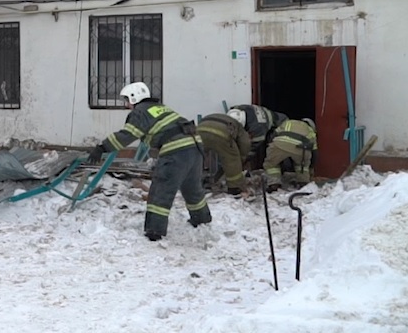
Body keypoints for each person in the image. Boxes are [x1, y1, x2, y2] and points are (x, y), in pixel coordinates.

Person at [85, 82, 211, 241]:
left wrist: (102, 147)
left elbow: (127, 135)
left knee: (161, 189)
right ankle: (201, 219)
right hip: (195, 146)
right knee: (191, 187)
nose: (126, 105)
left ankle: (154, 231)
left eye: (127, 100)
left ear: (134, 97)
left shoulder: (140, 112)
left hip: (176, 150)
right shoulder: (160, 108)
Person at [196, 109, 252, 196]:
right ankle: (235, 187)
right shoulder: (238, 126)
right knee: (232, 159)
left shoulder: (220, 116)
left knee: (197, 158)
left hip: (199, 131)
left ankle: (194, 183)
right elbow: (245, 143)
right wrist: (242, 157)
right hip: (221, 134)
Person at [263, 117, 319, 192]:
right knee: (302, 166)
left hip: (280, 144)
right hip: (301, 148)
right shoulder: (311, 130)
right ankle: (303, 183)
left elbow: (274, 134)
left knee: (271, 164)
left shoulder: (288, 122)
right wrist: (311, 166)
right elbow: (314, 151)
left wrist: (271, 148)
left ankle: (274, 184)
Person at [230, 103, 288, 170]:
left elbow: (254, 146)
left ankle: (284, 169)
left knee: (275, 150)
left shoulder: (257, 127)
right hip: (275, 118)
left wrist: (245, 158)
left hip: (281, 125)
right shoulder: (240, 109)